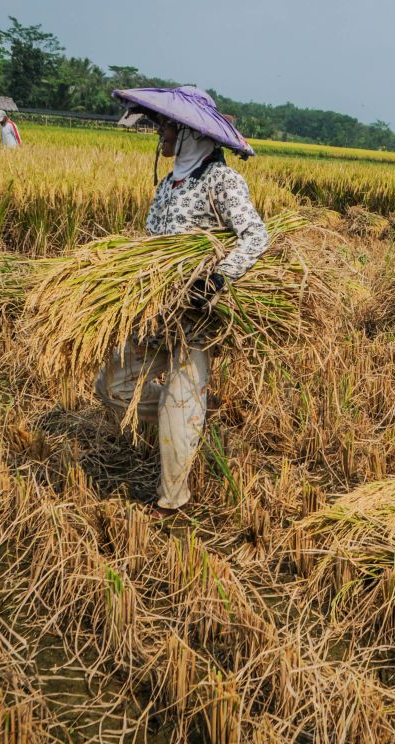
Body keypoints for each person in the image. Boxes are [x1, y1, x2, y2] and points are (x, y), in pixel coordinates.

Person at [94, 86, 268, 517]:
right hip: (156, 313)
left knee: (180, 402)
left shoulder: (222, 180)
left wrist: (218, 278)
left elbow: (256, 235)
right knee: (112, 387)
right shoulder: (169, 185)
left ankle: (173, 497)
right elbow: (153, 244)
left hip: (196, 316)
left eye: (166, 128)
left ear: (190, 132)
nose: (161, 136)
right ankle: (191, 426)